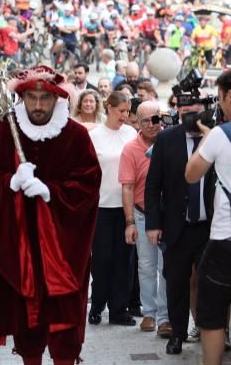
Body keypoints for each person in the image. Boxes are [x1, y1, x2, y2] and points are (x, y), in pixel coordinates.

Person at [0, 66, 101, 365]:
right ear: (22, 97)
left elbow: (89, 184)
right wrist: (9, 184)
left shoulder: (76, 135)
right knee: (26, 322)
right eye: (32, 97)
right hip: (20, 248)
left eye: (45, 98)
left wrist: (51, 192)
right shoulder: (5, 132)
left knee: (64, 323)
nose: (38, 105)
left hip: (63, 250)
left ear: (57, 99)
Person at [145, 96, 216, 355]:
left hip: (211, 226)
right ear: (177, 112)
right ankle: (177, 333)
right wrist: (152, 224)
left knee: (212, 283)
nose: (191, 119)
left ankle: (213, 331)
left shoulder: (217, 137)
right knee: (176, 282)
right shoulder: (167, 139)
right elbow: (153, 184)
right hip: (177, 226)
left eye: (196, 114)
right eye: (186, 113)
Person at [185, 72, 231, 365]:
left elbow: (191, 174)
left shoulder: (220, 134)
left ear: (227, 95)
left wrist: (205, 139)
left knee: (212, 314)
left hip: (225, 240)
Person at [120, 101, 171, 337]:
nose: (153, 125)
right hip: (141, 215)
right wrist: (130, 221)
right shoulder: (131, 149)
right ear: (137, 123)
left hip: (169, 215)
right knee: (146, 266)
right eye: (147, 120)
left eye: (157, 119)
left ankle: (165, 317)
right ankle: (149, 313)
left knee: (166, 268)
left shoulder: (171, 141)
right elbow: (128, 188)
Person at [88, 91, 138, 326]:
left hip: (126, 206)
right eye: (121, 111)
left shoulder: (130, 133)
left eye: (128, 112)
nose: (125, 116)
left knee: (123, 259)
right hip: (101, 205)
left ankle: (119, 309)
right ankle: (97, 304)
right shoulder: (95, 135)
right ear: (109, 108)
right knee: (102, 258)